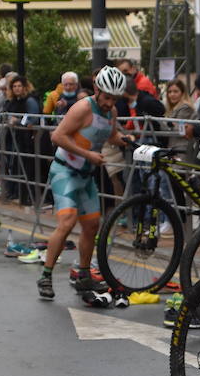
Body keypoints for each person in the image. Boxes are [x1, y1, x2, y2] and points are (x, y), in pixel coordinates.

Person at [37, 65, 131, 300]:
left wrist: (126, 140)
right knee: (67, 223)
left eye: (115, 98)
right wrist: (87, 155)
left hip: (87, 176)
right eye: (107, 97)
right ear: (97, 90)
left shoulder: (111, 112)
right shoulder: (82, 108)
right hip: (65, 172)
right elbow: (57, 136)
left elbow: (110, 136)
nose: (110, 103)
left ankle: (83, 275)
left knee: (91, 226)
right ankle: (46, 276)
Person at [3, 75, 40, 204]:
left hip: (27, 140)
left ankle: (28, 197)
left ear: (25, 87)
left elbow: (33, 119)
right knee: (14, 165)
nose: (17, 89)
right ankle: (16, 193)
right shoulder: (13, 101)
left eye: (19, 86)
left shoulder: (30, 100)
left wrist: (17, 121)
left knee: (27, 167)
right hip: (15, 138)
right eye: (14, 86)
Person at [163, 79, 196, 159]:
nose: (172, 94)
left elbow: (180, 127)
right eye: (170, 92)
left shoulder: (185, 108)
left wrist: (165, 123)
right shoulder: (172, 109)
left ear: (182, 93)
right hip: (173, 146)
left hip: (182, 147)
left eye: (175, 91)